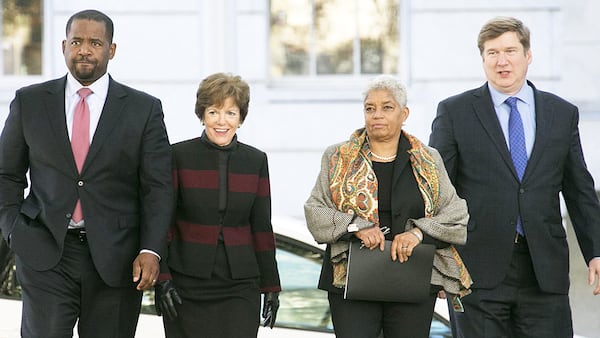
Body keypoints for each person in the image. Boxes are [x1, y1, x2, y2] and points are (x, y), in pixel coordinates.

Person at [0, 9, 173, 338]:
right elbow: (6, 175)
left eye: (95, 42)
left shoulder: (143, 109)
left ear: (111, 50)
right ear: (64, 45)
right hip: (45, 252)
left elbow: (158, 188)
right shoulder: (30, 102)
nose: (84, 50)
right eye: (77, 41)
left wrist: (151, 250)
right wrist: (13, 230)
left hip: (117, 260)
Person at [429, 16, 600, 338]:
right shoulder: (455, 112)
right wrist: (436, 259)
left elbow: (580, 190)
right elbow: (436, 191)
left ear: (528, 55)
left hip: (544, 272)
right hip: (475, 270)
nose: (502, 61)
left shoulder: (561, 113)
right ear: (482, 59)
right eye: (492, 53)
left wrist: (596, 250)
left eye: (510, 50)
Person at [304, 74, 472, 338]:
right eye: (370, 108)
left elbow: (456, 215)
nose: (376, 114)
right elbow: (315, 211)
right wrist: (356, 225)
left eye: (387, 107)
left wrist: (418, 233)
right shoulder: (337, 157)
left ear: (404, 113)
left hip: (413, 278)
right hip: (350, 281)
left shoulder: (428, 159)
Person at [154, 72, 281, 338]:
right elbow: (163, 221)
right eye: (213, 112)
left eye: (230, 113)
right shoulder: (178, 156)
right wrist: (163, 278)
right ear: (202, 115)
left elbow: (261, 227)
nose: (221, 121)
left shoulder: (255, 160)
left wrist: (271, 286)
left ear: (241, 118)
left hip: (240, 285)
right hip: (186, 283)